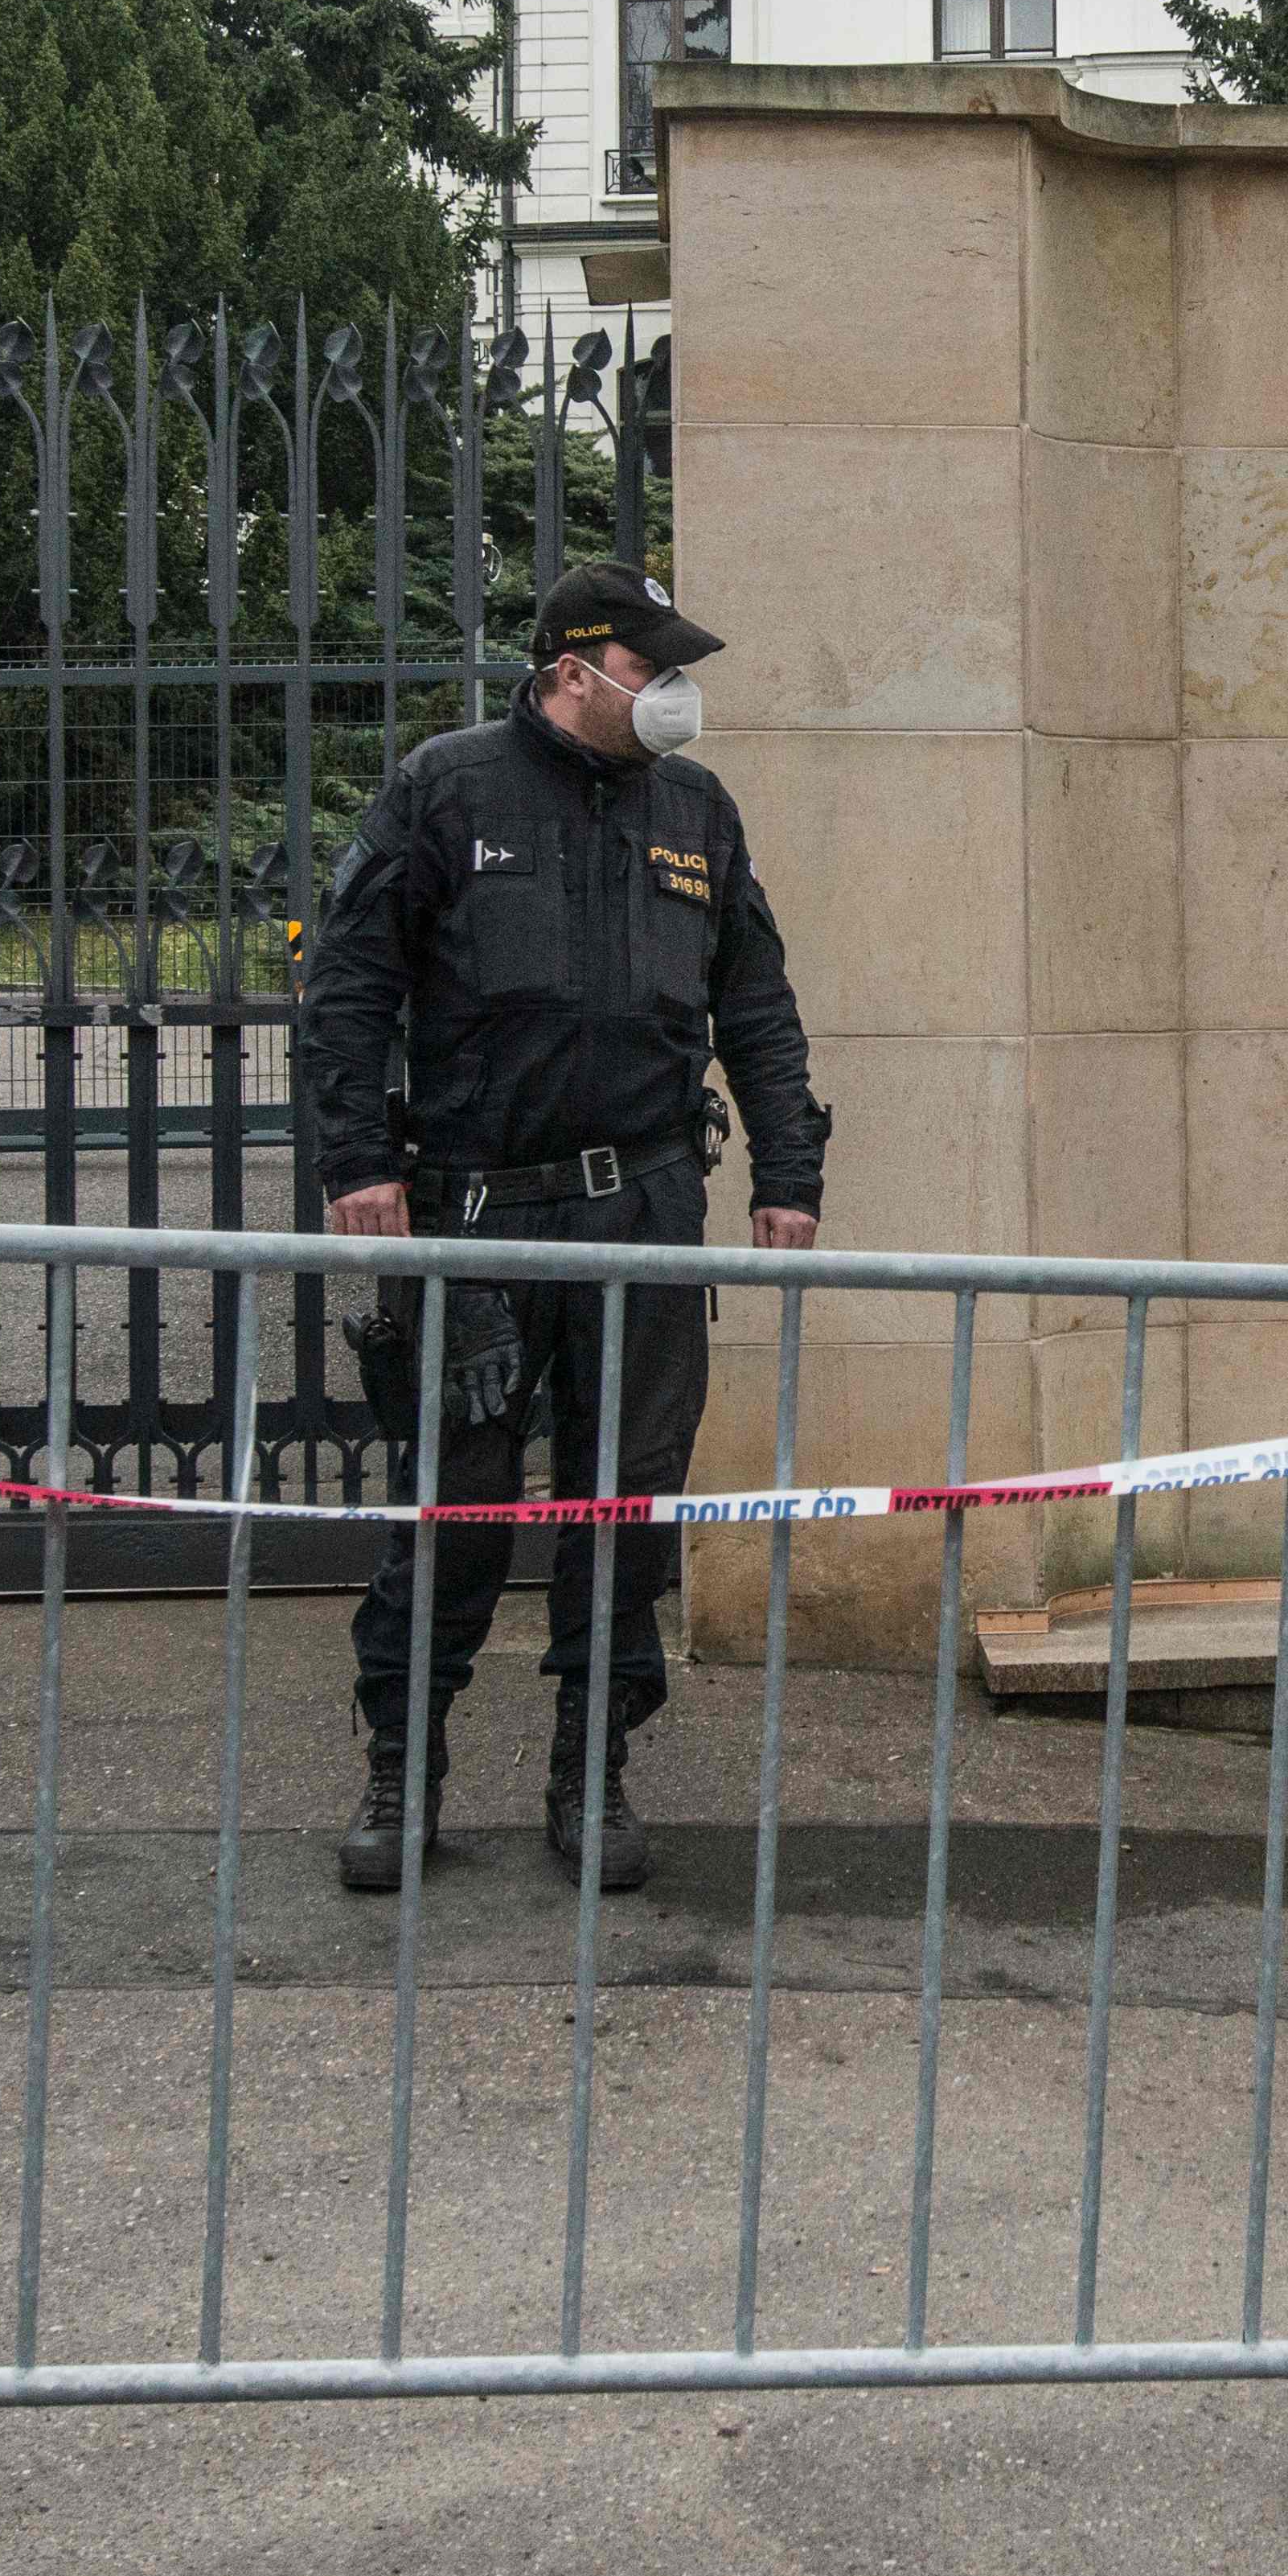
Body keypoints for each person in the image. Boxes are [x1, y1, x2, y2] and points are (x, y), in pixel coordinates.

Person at [303, 557, 826, 1895]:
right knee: (456, 1511)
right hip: (480, 1212)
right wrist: (359, 1157)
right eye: (656, 672)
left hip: (645, 1210)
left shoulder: (696, 812)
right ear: (571, 669)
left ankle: (590, 1777)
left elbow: (753, 1006)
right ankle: (398, 1778)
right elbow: (350, 983)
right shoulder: (447, 787)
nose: (676, 697)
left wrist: (789, 1171)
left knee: (626, 1509)